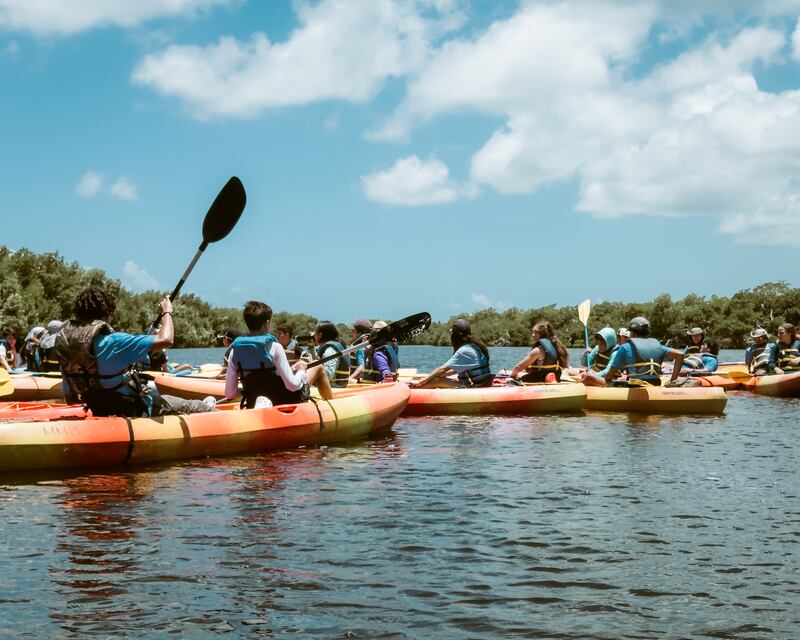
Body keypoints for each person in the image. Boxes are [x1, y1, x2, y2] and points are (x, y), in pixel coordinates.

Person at [54, 286, 215, 417]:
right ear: (106, 314)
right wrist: (167, 311)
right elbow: (166, 339)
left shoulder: (67, 349)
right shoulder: (115, 342)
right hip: (134, 409)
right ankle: (209, 410)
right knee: (192, 405)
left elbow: (71, 399)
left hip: (98, 410)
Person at [224, 300, 332, 407]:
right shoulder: (275, 347)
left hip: (253, 401)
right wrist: (301, 371)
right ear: (267, 323)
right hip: (284, 401)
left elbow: (230, 393)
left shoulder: (234, 351)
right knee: (318, 366)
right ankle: (332, 405)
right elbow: (292, 386)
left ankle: (261, 403)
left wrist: (249, 391)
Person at [582, 316, 684, 387]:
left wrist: (602, 379)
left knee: (589, 378)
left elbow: (609, 375)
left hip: (635, 387)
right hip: (656, 383)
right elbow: (680, 354)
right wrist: (672, 381)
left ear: (631, 332)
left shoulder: (625, 347)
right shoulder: (658, 346)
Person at [410, 319, 492, 388]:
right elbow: (454, 370)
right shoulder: (475, 346)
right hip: (483, 384)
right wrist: (438, 375)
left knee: (437, 381)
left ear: (456, 335)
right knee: (437, 377)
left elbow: (442, 369)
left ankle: (415, 389)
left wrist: (422, 382)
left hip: (474, 387)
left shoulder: (464, 351)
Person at [314, 321, 351, 387]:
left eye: (315, 333)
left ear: (320, 335)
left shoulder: (330, 350)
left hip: (333, 389)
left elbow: (329, 374)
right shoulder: (331, 347)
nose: (314, 336)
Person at [348, 318, 372, 384]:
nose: (351, 332)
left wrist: (351, 378)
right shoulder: (369, 345)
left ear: (359, 332)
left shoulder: (360, 347)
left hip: (358, 383)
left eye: (353, 330)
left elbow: (362, 368)